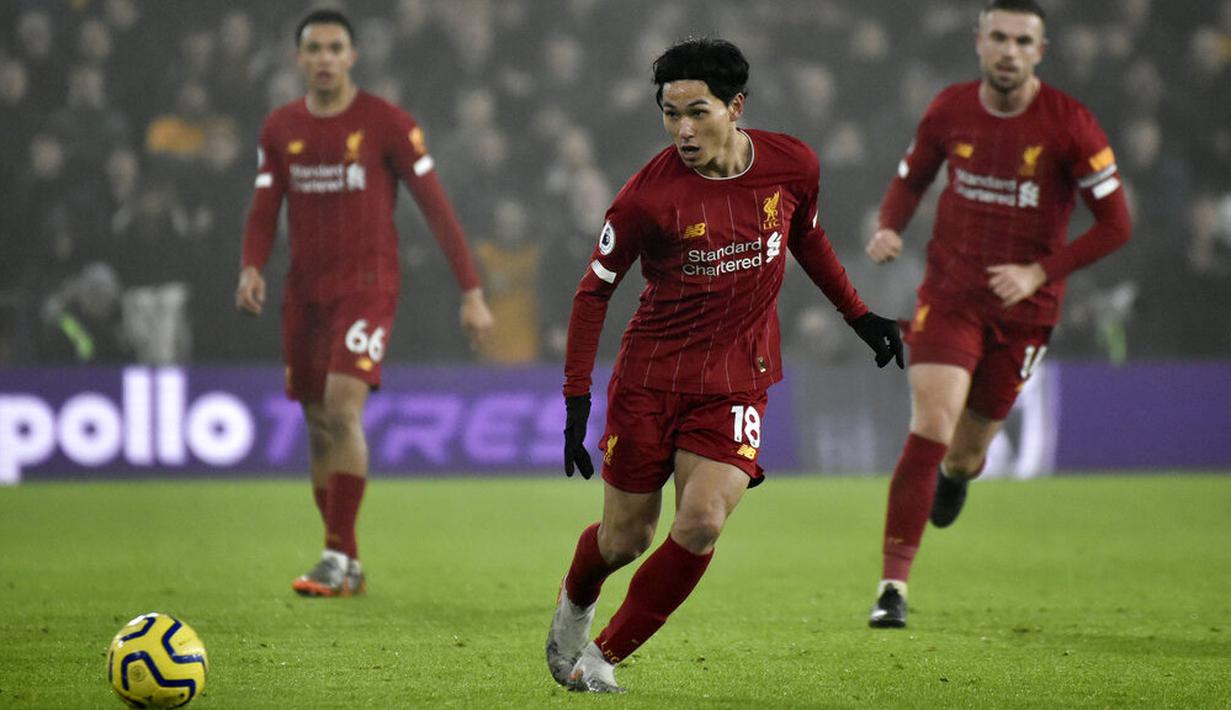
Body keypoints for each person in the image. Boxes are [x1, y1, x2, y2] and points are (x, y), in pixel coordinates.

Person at [546, 38, 903, 693]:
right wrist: (576, 400)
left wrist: (858, 315)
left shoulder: (793, 164)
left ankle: (602, 655)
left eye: (698, 112)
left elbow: (806, 238)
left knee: (704, 519)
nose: (682, 129)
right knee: (624, 539)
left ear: (735, 107)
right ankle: (575, 598)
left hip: (738, 378)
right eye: (669, 112)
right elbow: (592, 290)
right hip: (651, 380)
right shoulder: (644, 200)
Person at [864, 0, 1131, 628]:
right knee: (931, 420)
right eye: (999, 37)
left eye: (1023, 40)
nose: (1009, 50)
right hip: (950, 295)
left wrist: (1039, 272)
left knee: (965, 451)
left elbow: (1117, 224)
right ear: (979, 43)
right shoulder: (949, 109)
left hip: (1026, 310)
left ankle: (959, 475)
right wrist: (889, 227)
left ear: (1041, 51)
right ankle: (891, 588)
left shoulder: (1071, 125)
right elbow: (911, 178)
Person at [235, 9, 493, 598]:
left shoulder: (386, 123)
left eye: (334, 48)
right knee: (317, 422)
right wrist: (251, 265)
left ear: (352, 57)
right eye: (314, 49)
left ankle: (336, 554)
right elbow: (262, 206)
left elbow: (437, 208)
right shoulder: (280, 128)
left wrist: (471, 291)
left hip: (368, 286)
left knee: (341, 406)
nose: (324, 58)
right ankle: (344, 559)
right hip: (305, 291)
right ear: (299, 59)